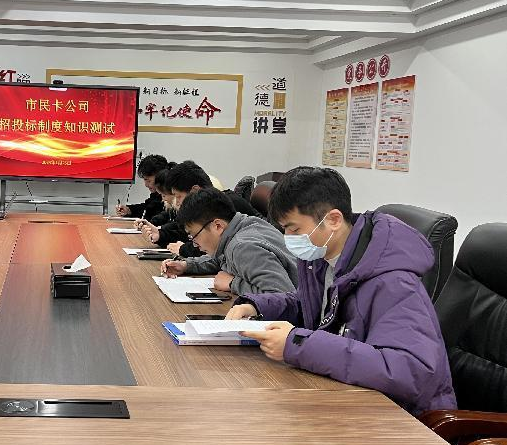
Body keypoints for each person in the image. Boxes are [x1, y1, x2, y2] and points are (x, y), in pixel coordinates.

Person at [226, 166, 456, 415]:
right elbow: (313, 305)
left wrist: (297, 346)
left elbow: (411, 371)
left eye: (294, 230)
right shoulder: (322, 257)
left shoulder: (394, 282)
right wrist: (257, 306)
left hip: (401, 419)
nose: (288, 238)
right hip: (348, 397)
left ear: (333, 220)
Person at [161, 187, 297, 294]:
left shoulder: (243, 247)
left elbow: (283, 296)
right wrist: (186, 265)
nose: (195, 244)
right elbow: (222, 259)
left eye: (193, 236)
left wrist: (233, 283)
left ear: (218, 226)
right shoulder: (244, 225)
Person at [115, 154, 169, 220]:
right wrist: (129, 210)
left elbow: (151, 212)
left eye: (148, 180)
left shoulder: (170, 195)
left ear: (159, 176)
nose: (146, 185)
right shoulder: (156, 194)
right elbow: (147, 207)